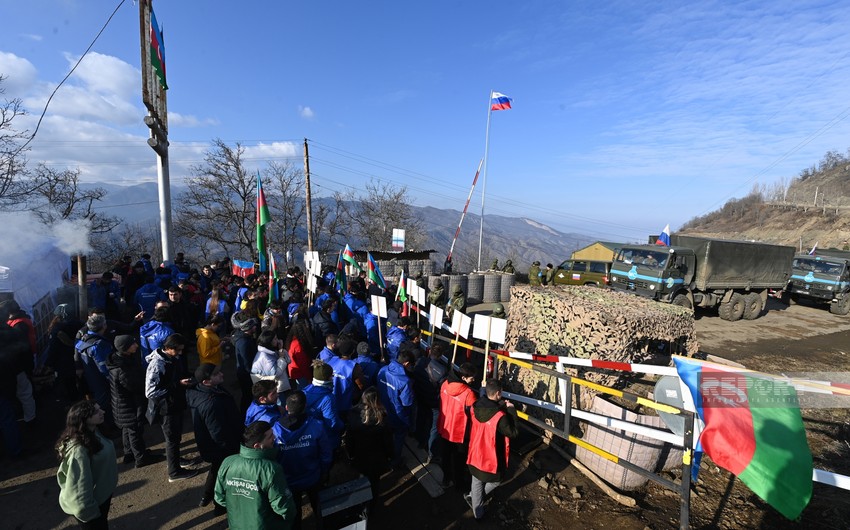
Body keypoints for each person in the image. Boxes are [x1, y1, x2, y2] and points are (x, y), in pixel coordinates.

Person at [215, 420, 296, 529]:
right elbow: (283, 507)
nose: (274, 438)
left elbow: (220, 497)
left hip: (237, 525)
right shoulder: (271, 470)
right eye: (270, 437)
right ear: (257, 445)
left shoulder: (228, 462)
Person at [187, 363, 242, 510]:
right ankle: (219, 505)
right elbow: (217, 432)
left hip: (214, 446)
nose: (222, 374)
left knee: (216, 469)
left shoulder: (207, 391)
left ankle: (206, 495)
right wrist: (232, 448)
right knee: (224, 474)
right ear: (206, 381)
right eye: (216, 374)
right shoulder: (211, 402)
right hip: (221, 446)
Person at [274, 391, 332, 530]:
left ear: (286, 407)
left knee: (294, 513)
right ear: (305, 406)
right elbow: (326, 453)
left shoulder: (275, 430)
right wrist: (324, 472)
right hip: (313, 476)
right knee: (318, 506)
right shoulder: (316, 425)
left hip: (289, 481)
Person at [144, 333, 199, 482]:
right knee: (172, 439)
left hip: (174, 404)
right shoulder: (157, 364)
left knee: (175, 437)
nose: (180, 353)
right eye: (178, 350)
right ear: (168, 348)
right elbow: (150, 392)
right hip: (166, 408)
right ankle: (174, 472)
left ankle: (176, 460)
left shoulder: (171, 358)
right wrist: (177, 385)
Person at [56, 400, 118, 529]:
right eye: (96, 412)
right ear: (84, 418)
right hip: (91, 508)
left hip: (101, 497)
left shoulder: (95, 431)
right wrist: (89, 513)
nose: (103, 412)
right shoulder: (79, 450)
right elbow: (78, 486)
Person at [465, 379, 519, 521]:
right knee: (496, 480)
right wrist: (511, 410)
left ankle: (477, 508)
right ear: (498, 393)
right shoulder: (500, 417)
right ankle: (476, 500)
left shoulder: (475, 406)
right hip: (490, 456)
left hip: (475, 450)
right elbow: (513, 433)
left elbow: (486, 403)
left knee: (476, 479)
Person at [107, 335, 158, 468]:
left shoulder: (120, 361)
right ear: (125, 348)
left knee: (127, 429)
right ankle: (140, 457)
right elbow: (134, 386)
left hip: (122, 405)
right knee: (135, 430)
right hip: (129, 405)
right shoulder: (123, 368)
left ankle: (129, 453)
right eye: (132, 344)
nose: (136, 345)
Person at [344, 386, 393, 510]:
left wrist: (351, 454)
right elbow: (388, 442)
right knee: (374, 484)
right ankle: (371, 507)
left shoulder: (353, 414)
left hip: (359, 457)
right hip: (376, 460)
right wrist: (390, 456)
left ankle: (362, 505)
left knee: (361, 481)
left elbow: (349, 439)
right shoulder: (382, 419)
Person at [437, 362, 477, 491]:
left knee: (446, 456)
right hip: (460, 432)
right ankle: (459, 485)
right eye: (472, 378)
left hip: (444, 427)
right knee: (459, 461)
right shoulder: (469, 393)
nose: (474, 380)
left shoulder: (444, 384)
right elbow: (475, 415)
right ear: (464, 378)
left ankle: (446, 479)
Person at [377, 346, 416, 465]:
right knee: (399, 437)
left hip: (382, 410)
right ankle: (395, 460)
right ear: (407, 363)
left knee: (386, 434)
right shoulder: (405, 381)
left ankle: (385, 454)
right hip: (398, 415)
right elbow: (407, 403)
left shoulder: (382, 370)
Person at [74, 314, 114, 427]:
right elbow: (103, 366)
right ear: (103, 327)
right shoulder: (99, 344)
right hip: (100, 380)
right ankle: (107, 426)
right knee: (104, 403)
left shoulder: (83, 339)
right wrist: (111, 378)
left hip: (90, 377)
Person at [413, 341, 448, 463]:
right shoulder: (442, 370)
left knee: (421, 419)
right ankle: (432, 453)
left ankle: (420, 441)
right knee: (434, 428)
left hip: (420, 396)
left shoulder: (421, 362)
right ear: (441, 354)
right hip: (433, 401)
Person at [303, 360, 344, 448]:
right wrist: (343, 425)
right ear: (329, 378)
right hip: (327, 440)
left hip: (309, 439)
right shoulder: (328, 398)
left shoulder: (305, 391)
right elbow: (332, 424)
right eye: (332, 376)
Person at [251, 329, 292, 398]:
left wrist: (281, 349)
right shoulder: (265, 357)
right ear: (269, 341)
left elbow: (288, 360)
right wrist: (281, 357)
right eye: (275, 339)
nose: (278, 340)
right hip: (274, 389)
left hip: (277, 386)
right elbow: (276, 374)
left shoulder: (270, 351)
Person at [286, 315, 316, 390]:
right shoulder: (298, 345)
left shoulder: (291, 341)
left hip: (295, 371)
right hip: (300, 373)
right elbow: (303, 364)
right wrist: (309, 377)